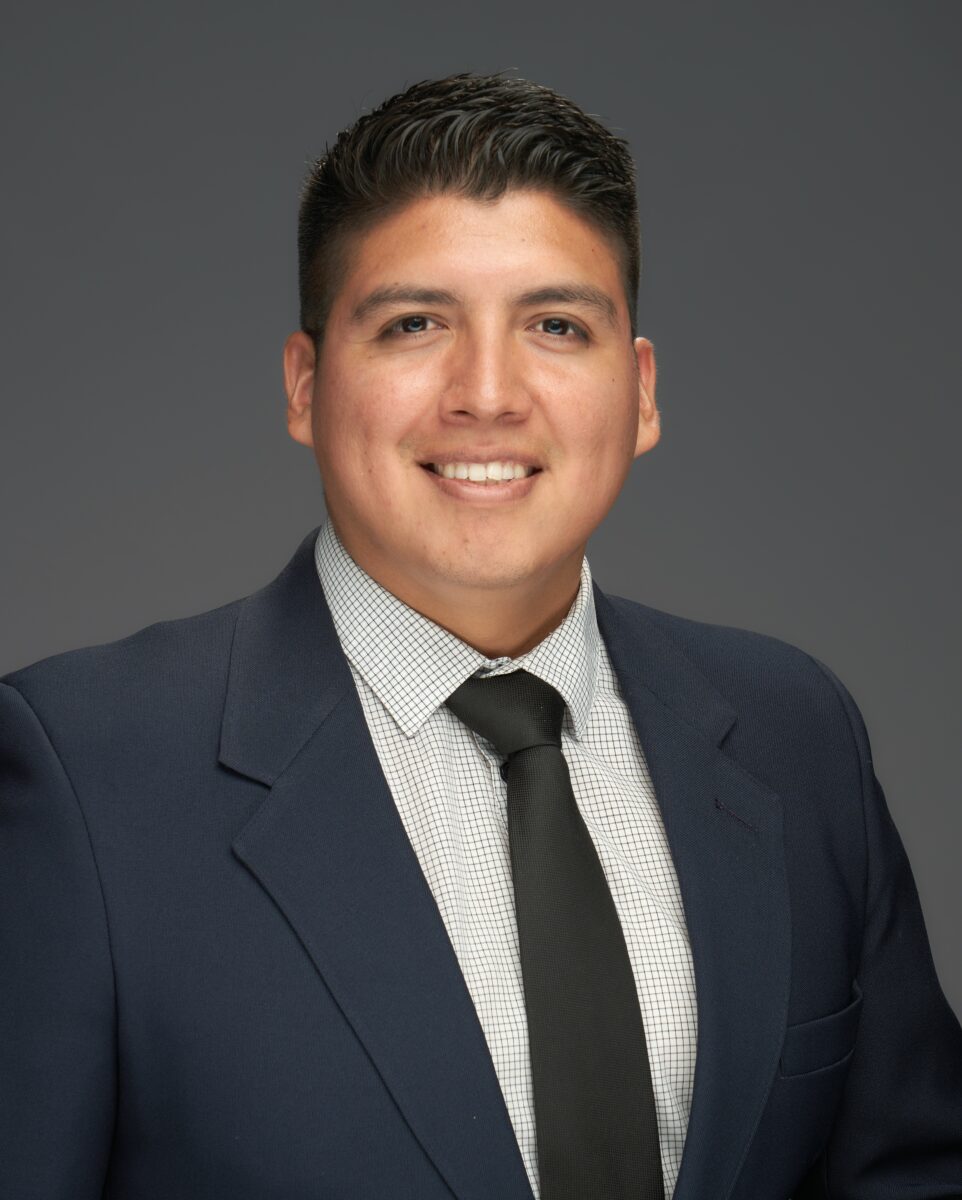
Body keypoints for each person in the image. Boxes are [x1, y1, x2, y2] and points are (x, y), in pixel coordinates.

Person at [1, 71, 960, 1200]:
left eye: (556, 325)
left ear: (639, 394)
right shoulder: (81, 774)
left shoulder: (796, 736)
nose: (487, 394)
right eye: (415, 325)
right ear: (306, 386)